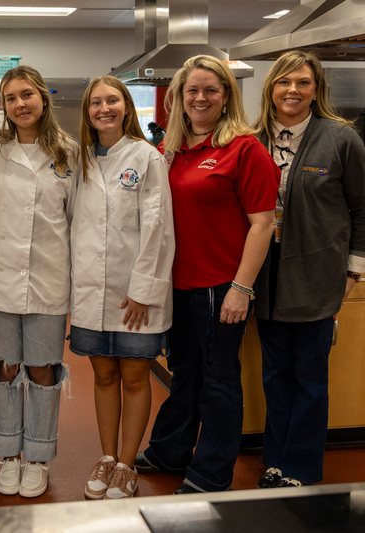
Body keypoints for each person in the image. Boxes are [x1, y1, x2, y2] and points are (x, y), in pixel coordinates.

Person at [135, 55, 280, 494]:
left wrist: (241, 287)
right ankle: (169, 451)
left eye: (210, 90)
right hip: (176, 286)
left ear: (225, 97)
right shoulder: (169, 151)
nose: (200, 98)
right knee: (184, 373)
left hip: (220, 286)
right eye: (191, 90)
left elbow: (264, 223)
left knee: (218, 382)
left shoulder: (244, 149)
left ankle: (211, 473)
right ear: (177, 98)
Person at [250, 50, 365, 489]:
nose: (292, 91)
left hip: (318, 276)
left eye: (303, 82)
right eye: (284, 82)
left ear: (317, 90)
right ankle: (275, 463)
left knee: (310, 380)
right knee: (276, 376)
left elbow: (362, 209)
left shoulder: (341, 139)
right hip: (265, 277)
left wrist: (353, 272)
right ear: (271, 88)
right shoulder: (253, 139)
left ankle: (300, 469)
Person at [70, 76, 174, 500]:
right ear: (88, 111)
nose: (104, 108)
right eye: (96, 102)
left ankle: (128, 465)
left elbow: (159, 227)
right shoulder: (78, 160)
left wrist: (144, 289)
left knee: (134, 376)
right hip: (90, 290)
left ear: (127, 107)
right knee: (103, 373)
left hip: (135, 294)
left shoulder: (146, 157)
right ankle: (107, 458)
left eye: (112, 100)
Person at [0, 65, 78, 498]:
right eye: (11, 98)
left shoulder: (68, 154)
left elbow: (77, 224)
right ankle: (8, 455)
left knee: (42, 370)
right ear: (2, 105)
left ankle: (37, 456)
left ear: (43, 97)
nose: (20, 104)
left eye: (27, 95)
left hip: (48, 282)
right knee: (3, 370)